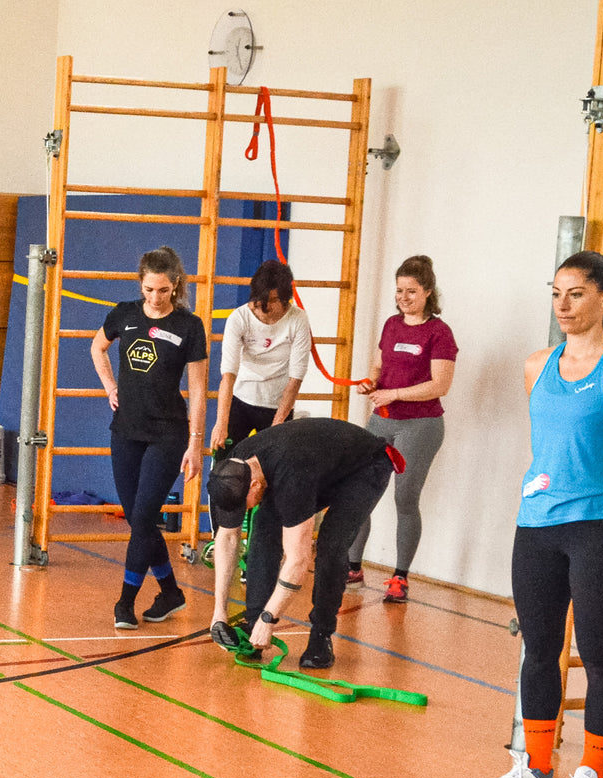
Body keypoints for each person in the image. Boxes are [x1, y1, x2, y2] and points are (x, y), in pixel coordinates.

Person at [485, 252, 603, 778]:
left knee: (598, 654)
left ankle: (592, 775)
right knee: (538, 651)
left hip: (599, 533)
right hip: (535, 528)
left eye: (576, 294)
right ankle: (536, 769)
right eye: (556, 293)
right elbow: (554, 450)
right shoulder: (536, 365)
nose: (563, 305)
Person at [207, 418, 403, 669]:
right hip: (317, 465)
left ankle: (321, 635)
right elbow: (227, 537)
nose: (244, 510)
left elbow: (298, 559)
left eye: (245, 503)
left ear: (254, 484)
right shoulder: (236, 466)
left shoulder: (292, 475)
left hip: (365, 467)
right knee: (263, 531)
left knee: (331, 545)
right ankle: (252, 623)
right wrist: (218, 614)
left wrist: (270, 619)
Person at [90, 246, 209, 628]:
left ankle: (124, 602)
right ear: (140, 284)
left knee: (143, 515)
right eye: (148, 290)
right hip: (126, 431)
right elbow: (97, 346)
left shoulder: (189, 327)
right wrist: (109, 386)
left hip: (167, 434)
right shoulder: (124, 314)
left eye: (162, 290)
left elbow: (198, 389)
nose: (154, 298)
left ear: (175, 286)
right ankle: (171, 592)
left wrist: (195, 444)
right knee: (138, 521)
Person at [347, 255, 457, 603]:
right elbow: (379, 366)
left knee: (404, 498)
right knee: (361, 491)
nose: (404, 297)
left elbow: (440, 385)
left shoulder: (439, 333)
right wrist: (371, 382)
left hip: (421, 425)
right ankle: (352, 565)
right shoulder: (392, 325)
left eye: (411, 291)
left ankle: (400, 576)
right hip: (382, 418)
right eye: (399, 290)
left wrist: (393, 392)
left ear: (427, 292)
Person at [209, 259, 311, 454]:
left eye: (272, 302)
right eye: (258, 302)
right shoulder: (239, 318)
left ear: (284, 299)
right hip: (241, 400)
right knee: (224, 464)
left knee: (272, 468)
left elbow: (295, 379)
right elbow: (228, 375)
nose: (263, 309)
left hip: (277, 404)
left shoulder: (298, 320)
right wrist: (221, 423)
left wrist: (278, 425)